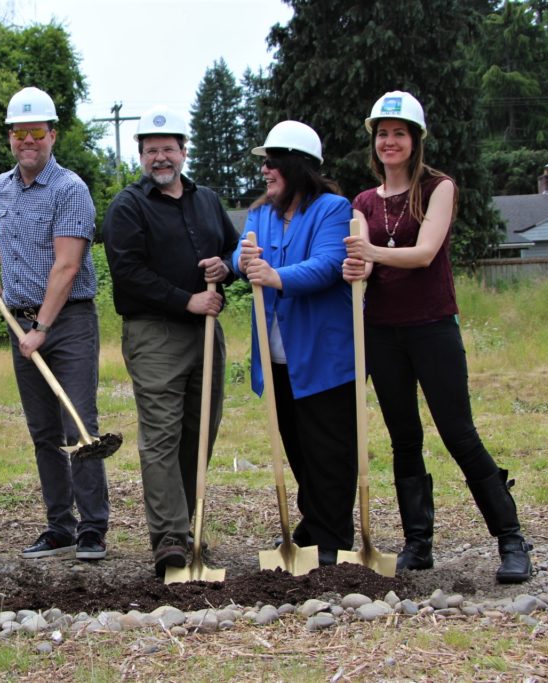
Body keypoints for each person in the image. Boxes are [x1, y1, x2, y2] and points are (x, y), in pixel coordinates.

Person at [343, 91, 532, 583]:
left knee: (458, 433)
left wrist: (369, 254)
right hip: (383, 332)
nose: (389, 141)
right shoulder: (362, 201)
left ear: (415, 139)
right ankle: (417, 544)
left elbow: (426, 252)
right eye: (382, 133)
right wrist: (353, 266)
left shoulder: (438, 187)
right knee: (404, 437)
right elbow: (361, 260)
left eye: (399, 133)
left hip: (432, 327)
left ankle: (512, 540)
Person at [103, 106, 238, 577]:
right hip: (155, 334)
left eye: (168, 148)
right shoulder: (128, 206)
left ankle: (189, 525)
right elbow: (128, 274)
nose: (160, 158)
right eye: (151, 150)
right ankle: (169, 541)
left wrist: (227, 268)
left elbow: (232, 248)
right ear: (140, 155)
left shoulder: (207, 201)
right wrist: (187, 302)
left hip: (207, 334)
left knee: (200, 431)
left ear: (183, 151)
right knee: (161, 434)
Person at [0, 86, 110, 561]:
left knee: (79, 426)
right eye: (19, 132)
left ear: (52, 135)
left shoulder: (70, 189)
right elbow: (1, 224)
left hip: (66, 322)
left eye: (36, 131)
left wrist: (43, 328)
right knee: (43, 433)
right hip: (21, 323)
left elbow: (67, 266)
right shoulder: (3, 185)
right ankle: (61, 526)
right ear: (11, 137)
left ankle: (93, 527)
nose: (27, 140)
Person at [233, 120, 357, 566]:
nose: (265, 171)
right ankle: (313, 525)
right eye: (264, 163)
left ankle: (334, 534)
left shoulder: (331, 208)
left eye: (272, 163)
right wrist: (239, 259)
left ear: (297, 166)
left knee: (329, 449)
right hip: (276, 355)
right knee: (297, 445)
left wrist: (276, 276)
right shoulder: (261, 213)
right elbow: (241, 251)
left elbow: (329, 262)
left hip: (323, 355)